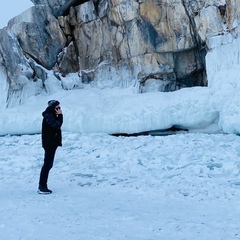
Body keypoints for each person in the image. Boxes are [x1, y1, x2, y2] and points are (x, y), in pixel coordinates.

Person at [38, 100, 63, 194]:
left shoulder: (51, 115)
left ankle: (43, 185)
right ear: (53, 107)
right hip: (49, 144)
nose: (59, 109)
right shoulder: (49, 115)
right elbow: (57, 125)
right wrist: (60, 115)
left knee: (48, 164)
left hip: (52, 143)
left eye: (59, 108)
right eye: (57, 108)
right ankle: (42, 186)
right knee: (47, 164)